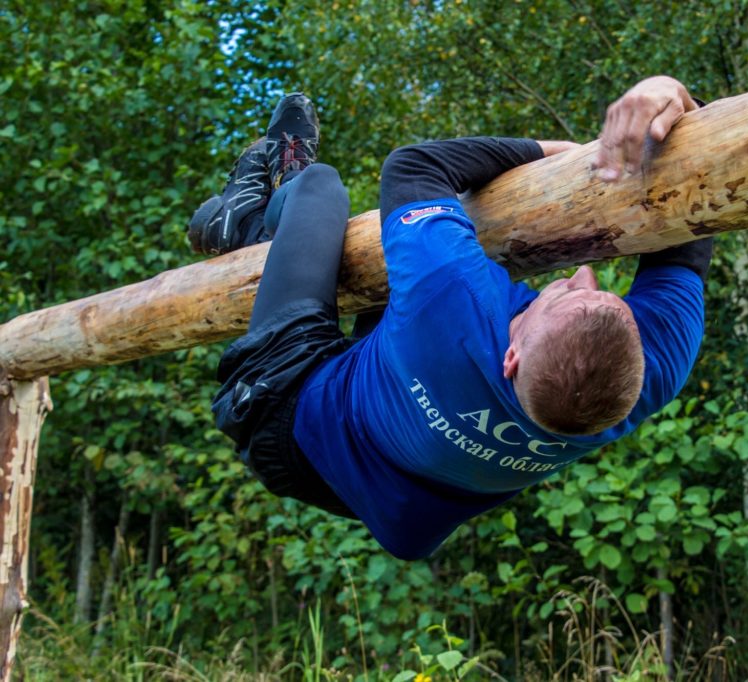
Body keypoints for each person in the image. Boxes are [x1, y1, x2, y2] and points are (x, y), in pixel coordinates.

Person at [187, 76, 711, 560]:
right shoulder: (651, 369)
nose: (583, 277)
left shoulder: (453, 301)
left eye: (562, 297)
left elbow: (414, 168)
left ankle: (251, 217)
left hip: (287, 415)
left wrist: (556, 155)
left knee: (321, 191)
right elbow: (694, 203)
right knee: (394, 270)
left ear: (512, 356)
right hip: (389, 492)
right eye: (603, 292)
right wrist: (673, 96)